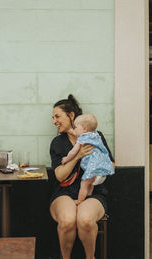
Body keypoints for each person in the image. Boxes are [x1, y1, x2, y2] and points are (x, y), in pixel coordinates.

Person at [50, 94, 115, 259]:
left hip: (93, 192)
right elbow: (59, 176)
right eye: (53, 117)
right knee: (67, 220)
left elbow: (111, 164)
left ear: (71, 115)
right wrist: (77, 156)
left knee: (85, 219)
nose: (54, 121)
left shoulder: (95, 136)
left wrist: (98, 166)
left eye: (57, 116)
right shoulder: (58, 143)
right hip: (64, 192)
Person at [61, 114, 114, 205]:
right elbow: (77, 133)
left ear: (84, 128)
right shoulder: (96, 135)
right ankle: (88, 197)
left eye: (75, 127)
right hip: (101, 167)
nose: (74, 129)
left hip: (92, 167)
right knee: (90, 185)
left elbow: (73, 152)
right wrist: (70, 130)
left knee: (84, 184)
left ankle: (80, 200)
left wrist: (66, 159)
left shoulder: (83, 138)